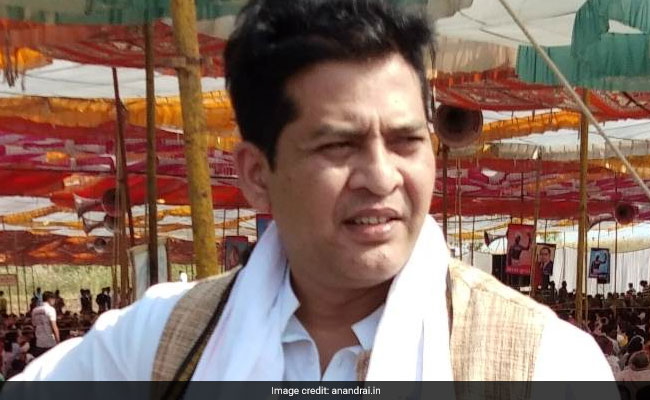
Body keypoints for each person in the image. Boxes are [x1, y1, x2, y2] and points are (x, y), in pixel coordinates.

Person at [14, 0, 614, 385]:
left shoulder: (540, 364)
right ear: (257, 175)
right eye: (338, 146)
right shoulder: (159, 344)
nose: (381, 177)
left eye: (406, 140)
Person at [30, 291, 59, 357]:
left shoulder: (35, 310)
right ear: (49, 299)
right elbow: (54, 326)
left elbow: (34, 325)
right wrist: (58, 340)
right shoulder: (51, 309)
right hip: (50, 341)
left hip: (39, 342)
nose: (54, 301)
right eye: (54, 299)